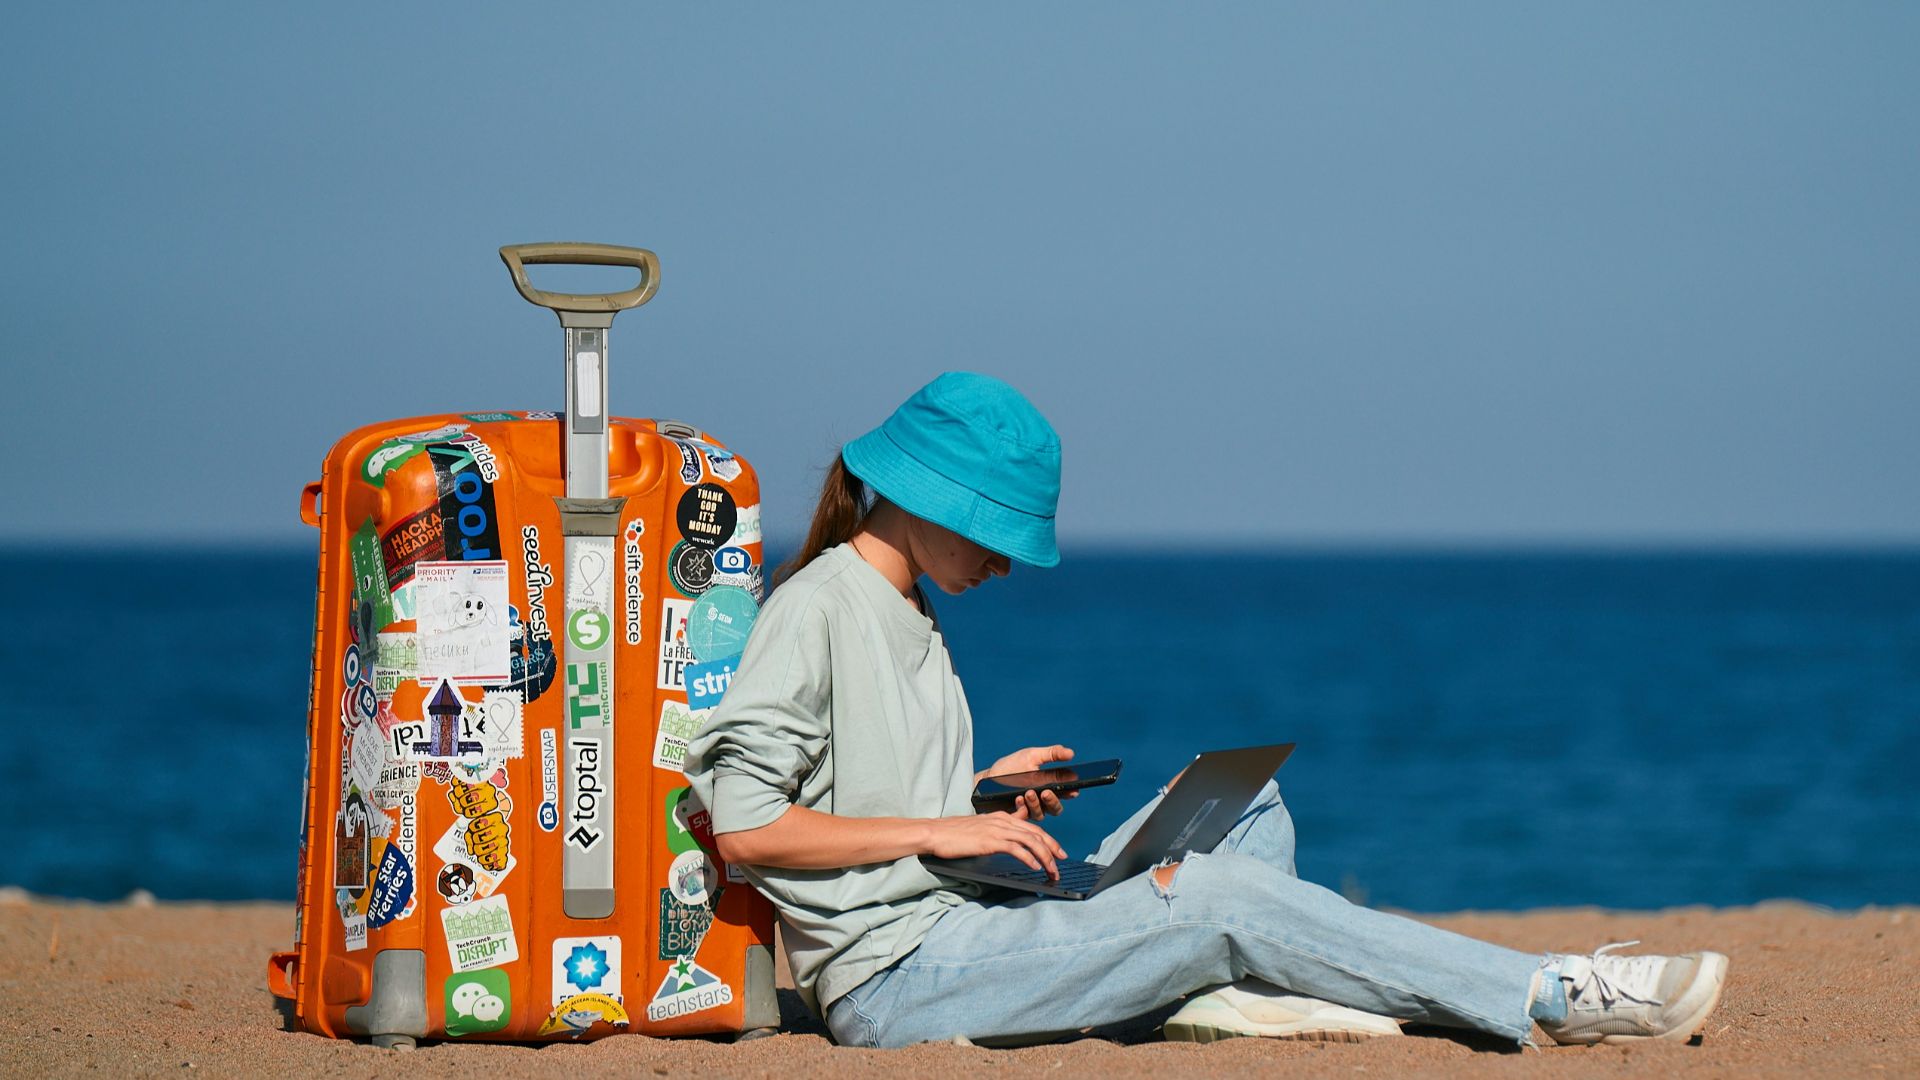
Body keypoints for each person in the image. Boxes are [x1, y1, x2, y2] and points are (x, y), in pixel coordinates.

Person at [682, 372, 1729, 1049]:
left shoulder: (903, 603)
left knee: (1247, 806)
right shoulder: (819, 606)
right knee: (1219, 899)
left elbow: (853, 787)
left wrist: (982, 790)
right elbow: (749, 824)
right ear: (927, 500)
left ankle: (1196, 990)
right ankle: (1550, 994)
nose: (1004, 562)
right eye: (995, 533)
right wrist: (941, 825)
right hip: (900, 976)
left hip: (970, 912)